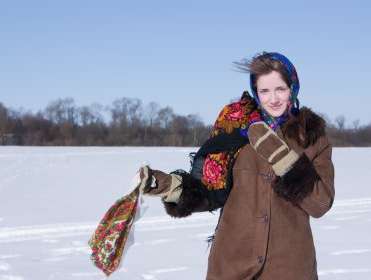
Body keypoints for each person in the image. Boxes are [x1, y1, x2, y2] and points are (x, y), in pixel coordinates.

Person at [139, 52, 335, 280]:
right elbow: (209, 193)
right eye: (264, 91)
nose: (273, 99)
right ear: (255, 92)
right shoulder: (235, 127)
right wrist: (166, 186)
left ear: (293, 87)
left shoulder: (311, 138)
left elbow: (320, 204)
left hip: (289, 267)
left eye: (280, 89)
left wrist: (281, 156)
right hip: (231, 265)